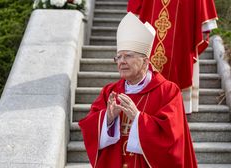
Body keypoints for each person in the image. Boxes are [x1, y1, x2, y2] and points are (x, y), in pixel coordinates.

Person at [79, 12, 197, 168]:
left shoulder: (168, 92)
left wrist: (138, 118)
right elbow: (89, 128)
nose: (121, 62)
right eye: (118, 57)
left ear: (145, 61)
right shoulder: (110, 91)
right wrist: (107, 118)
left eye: (128, 56)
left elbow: (172, 137)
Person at [127, 0, 218, 114]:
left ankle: (178, 107)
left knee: (179, 59)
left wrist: (205, 24)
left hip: (182, 25)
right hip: (151, 21)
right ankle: (147, 102)